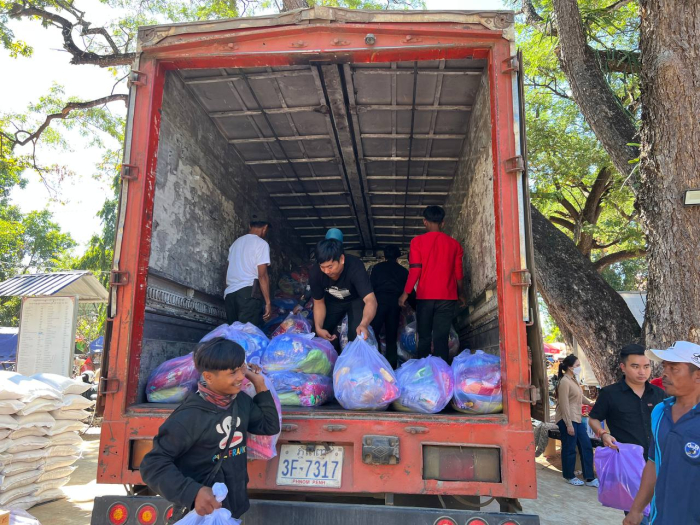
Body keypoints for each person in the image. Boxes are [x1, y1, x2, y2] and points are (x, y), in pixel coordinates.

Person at [140, 338, 280, 521]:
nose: (240, 377)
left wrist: (259, 384)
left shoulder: (241, 401)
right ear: (208, 377)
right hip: (201, 513)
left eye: (241, 368)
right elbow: (153, 465)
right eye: (232, 372)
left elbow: (269, 425)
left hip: (232, 509)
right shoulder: (189, 416)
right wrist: (193, 492)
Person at [623, 341, 700, 525]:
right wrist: (636, 509)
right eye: (665, 367)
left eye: (674, 368)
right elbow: (653, 462)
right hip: (660, 518)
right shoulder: (660, 411)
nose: (664, 374)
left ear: (697, 375)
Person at [589, 344, 665, 524]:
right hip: (629, 467)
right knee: (640, 516)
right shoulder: (610, 394)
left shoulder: (660, 394)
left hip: (659, 462)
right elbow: (593, 418)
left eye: (646, 366)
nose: (642, 372)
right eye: (635, 366)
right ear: (623, 367)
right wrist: (603, 434)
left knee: (661, 513)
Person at [399, 206, 466, 362]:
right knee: (441, 338)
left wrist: (405, 293)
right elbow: (458, 274)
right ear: (443, 223)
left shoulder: (417, 242)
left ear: (425, 221)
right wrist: (461, 294)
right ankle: (441, 372)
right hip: (448, 298)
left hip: (425, 298)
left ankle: (424, 370)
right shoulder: (455, 245)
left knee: (424, 337)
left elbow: (415, 270)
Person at [309, 238, 377, 344]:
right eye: (323, 267)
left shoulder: (355, 266)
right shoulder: (315, 273)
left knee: (357, 335)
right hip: (332, 301)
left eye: (330, 267)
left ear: (341, 259)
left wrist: (364, 324)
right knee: (318, 335)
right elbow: (319, 302)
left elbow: (370, 300)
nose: (326, 271)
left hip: (355, 301)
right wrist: (318, 327)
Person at [554, 354, 598, 487]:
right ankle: (569, 476)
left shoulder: (574, 380)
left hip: (577, 417)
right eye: (577, 365)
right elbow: (564, 404)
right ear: (570, 367)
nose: (579, 367)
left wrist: (591, 403)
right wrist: (568, 424)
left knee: (586, 446)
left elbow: (580, 396)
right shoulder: (564, 382)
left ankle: (589, 477)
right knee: (570, 448)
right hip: (567, 418)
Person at [224, 220, 273, 328]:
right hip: (248, 293)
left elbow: (228, 270)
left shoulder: (235, 244)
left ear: (249, 225)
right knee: (247, 333)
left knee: (233, 333)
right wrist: (268, 302)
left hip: (230, 294)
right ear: (265, 228)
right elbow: (262, 275)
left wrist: (227, 292)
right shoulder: (261, 244)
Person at [369, 246, 408, 368]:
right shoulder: (403, 271)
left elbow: (370, 287)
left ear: (384, 256)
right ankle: (391, 367)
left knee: (374, 333)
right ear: (398, 256)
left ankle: (375, 363)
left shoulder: (377, 268)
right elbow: (408, 291)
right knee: (391, 337)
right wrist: (417, 308)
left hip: (378, 303)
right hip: (394, 305)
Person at [293, 228, 343, 315]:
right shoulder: (318, 267)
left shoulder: (345, 264)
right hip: (326, 301)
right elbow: (311, 286)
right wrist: (301, 304)